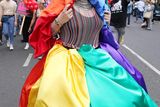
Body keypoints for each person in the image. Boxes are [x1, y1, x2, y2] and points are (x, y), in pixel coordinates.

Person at [19, 0, 157, 107]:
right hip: (66, 60)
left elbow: (102, 34)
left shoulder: (99, 7)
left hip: (97, 59)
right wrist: (58, 21)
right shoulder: (61, 5)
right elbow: (45, 34)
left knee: (126, 95)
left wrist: (106, 23)